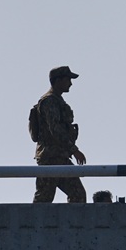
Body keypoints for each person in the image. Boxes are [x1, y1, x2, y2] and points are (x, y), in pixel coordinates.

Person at [31, 65, 86, 203]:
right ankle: (32, 224)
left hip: (60, 157)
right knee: (43, 199)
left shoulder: (57, 101)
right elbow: (55, 129)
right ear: (58, 80)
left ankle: (72, 224)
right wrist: (74, 150)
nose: (71, 83)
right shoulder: (49, 101)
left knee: (78, 194)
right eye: (68, 79)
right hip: (50, 159)